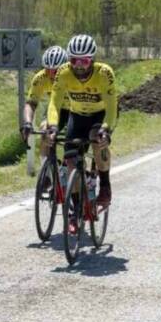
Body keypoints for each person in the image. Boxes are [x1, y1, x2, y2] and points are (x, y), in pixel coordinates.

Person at [47, 35, 118, 231]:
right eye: (74, 60)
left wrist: (107, 129)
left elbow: (112, 106)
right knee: (70, 162)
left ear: (92, 60)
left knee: (97, 140)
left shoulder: (104, 73)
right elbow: (54, 102)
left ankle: (104, 184)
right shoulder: (63, 73)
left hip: (99, 116)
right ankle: (76, 210)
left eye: (84, 60)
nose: (78, 65)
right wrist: (53, 126)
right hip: (77, 117)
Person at [20, 46, 69, 159]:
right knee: (44, 131)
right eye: (48, 69)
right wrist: (27, 123)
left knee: (73, 140)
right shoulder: (40, 78)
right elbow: (31, 103)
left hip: (76, 109)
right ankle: (46, 169)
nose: (51, 74)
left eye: (56, 71)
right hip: (56, 109)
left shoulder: (72, 76)